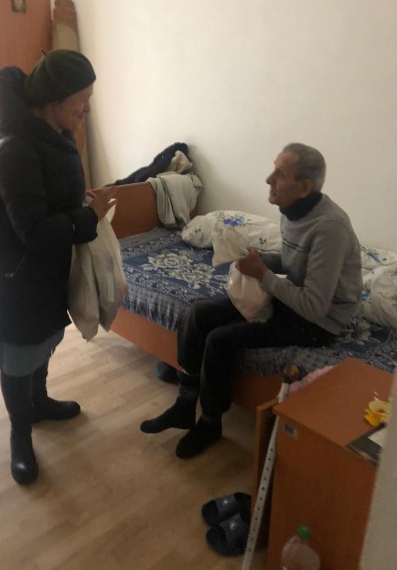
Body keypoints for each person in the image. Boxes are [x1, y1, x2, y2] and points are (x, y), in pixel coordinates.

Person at [140, 142, 362, 458]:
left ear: (304, 187)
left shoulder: (329, 228)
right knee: (199, 313)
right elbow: (295, 263)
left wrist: (263, 274)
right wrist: (261, 260)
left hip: (320, 321)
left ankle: (211, 423)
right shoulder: (292, 211)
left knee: (220, 340)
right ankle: (185, 404)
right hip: (296, 298)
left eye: (280, 174)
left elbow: (315, 307)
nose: (269, 179)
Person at [0, 49, 117, 485]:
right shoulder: (15, 148)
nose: (87, 108)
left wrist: (81, 203)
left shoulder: (55, 135)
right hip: (10, 277)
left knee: (43, 342)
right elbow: (33, 229)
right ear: (54, 99)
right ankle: (20, 434)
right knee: (18, 356)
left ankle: (40, 401)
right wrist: (87, 217)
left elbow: (50, 200)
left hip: (42, 270)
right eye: (82, 99)